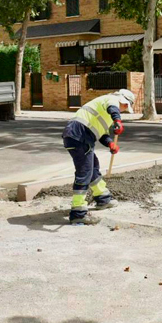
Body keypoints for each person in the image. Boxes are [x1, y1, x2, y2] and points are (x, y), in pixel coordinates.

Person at [63, 88, 135, 224]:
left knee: (93, 167)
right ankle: (78, 213)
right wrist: (117, 121)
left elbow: (101, 134)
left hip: (78, 136)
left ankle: (103, 198)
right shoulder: (111, 100)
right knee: (84, 172)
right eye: (126, 106)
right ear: (124, 102)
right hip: (79, 135)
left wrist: (110, 144)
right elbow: (113, 108)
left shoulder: (103, 110)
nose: (124, 109)